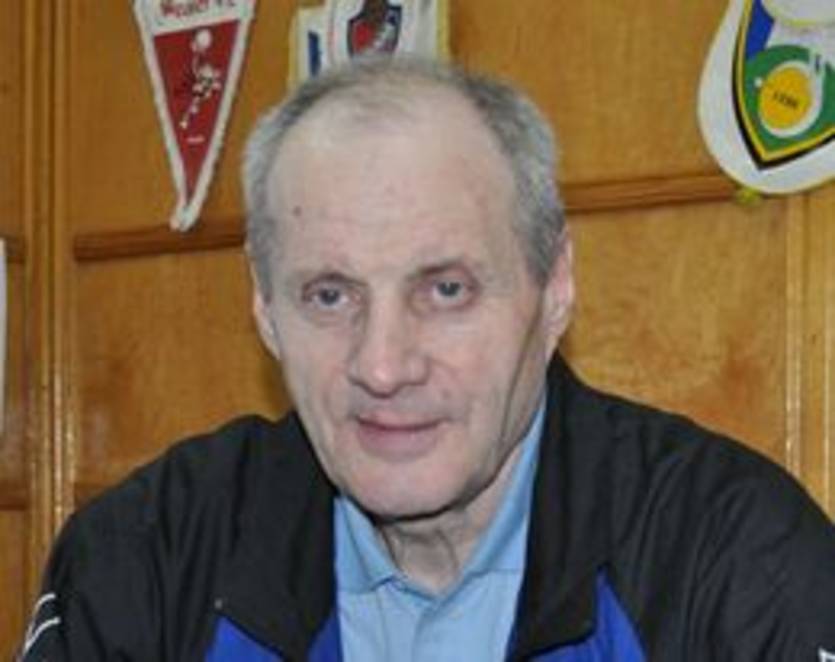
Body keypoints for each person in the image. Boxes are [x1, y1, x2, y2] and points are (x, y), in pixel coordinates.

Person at [19, 57, 835, 661]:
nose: (382, 367)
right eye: (329, 296)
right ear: (264, 309)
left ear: (553, 288)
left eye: (445, 290)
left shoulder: (735, 556)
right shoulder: (148, 556)